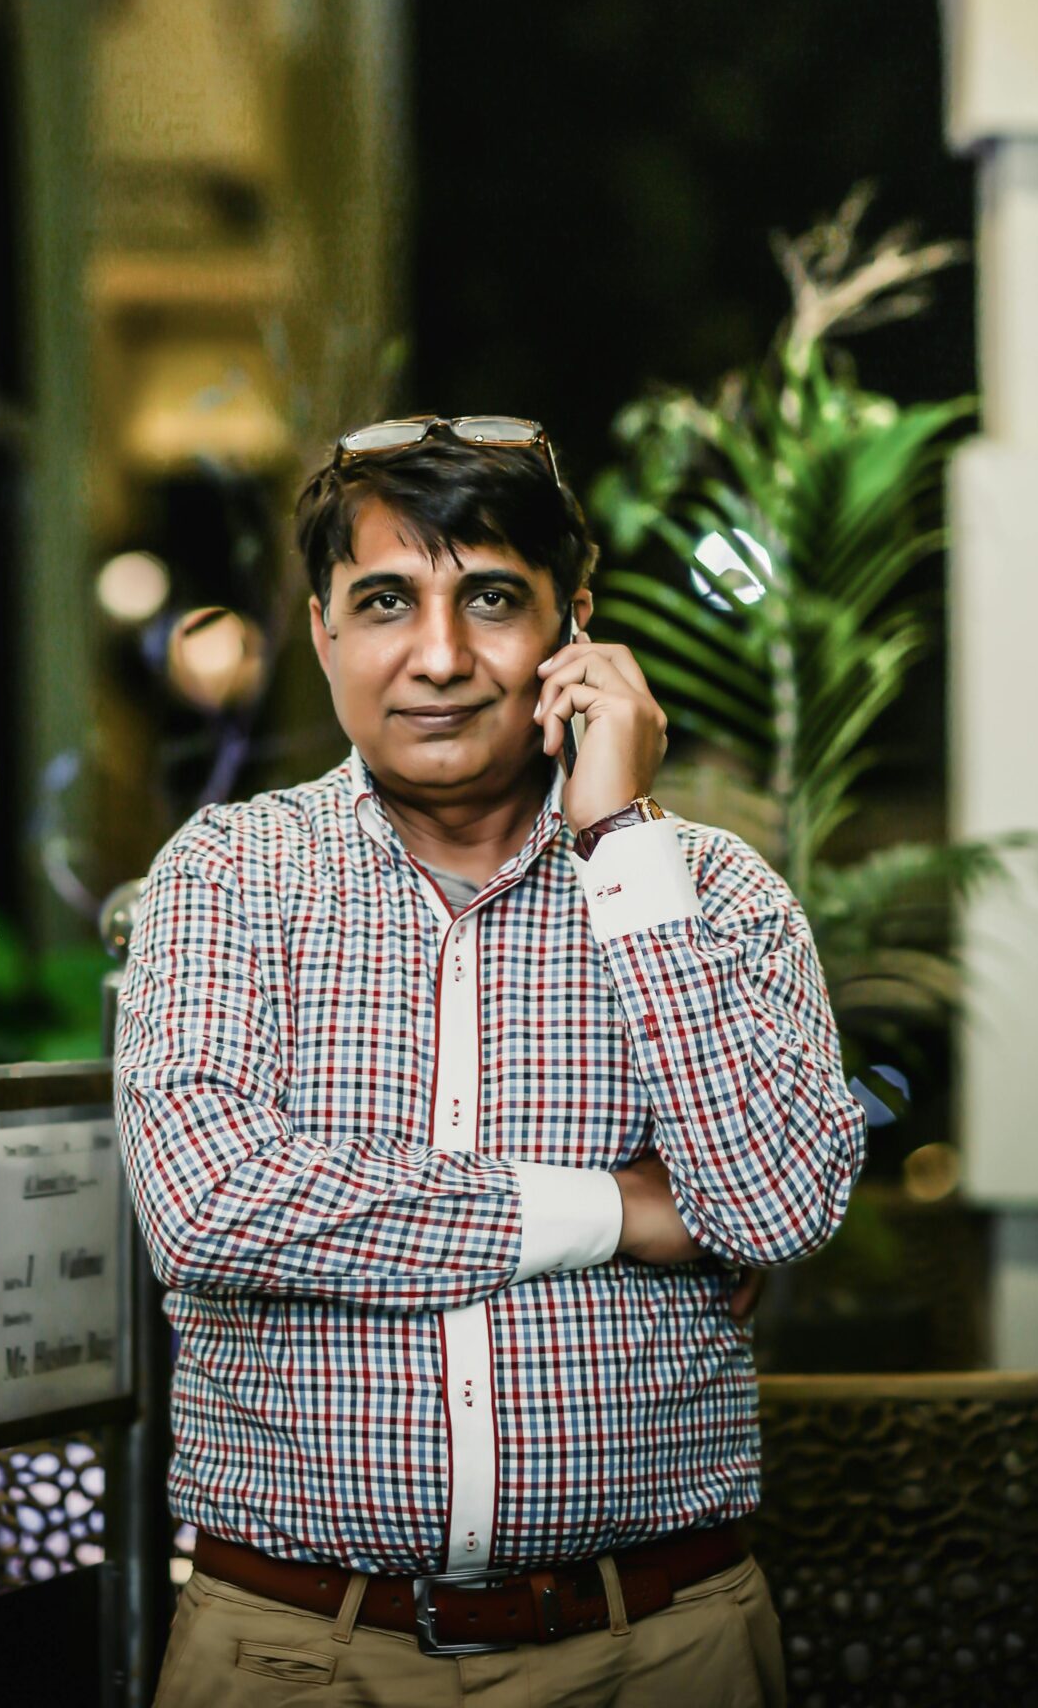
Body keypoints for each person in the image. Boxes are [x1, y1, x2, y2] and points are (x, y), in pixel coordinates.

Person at [115, 415, 865, 1706]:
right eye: (389, 600)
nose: (442, 658)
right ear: (323, 631)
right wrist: (618, 1208)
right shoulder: (229, 876)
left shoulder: (716, 895)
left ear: (576, 628)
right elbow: (212, 1209)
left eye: (495, 600)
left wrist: (624, 843)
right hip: (295, 1653)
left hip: (660, 1646)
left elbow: (775, 1207)